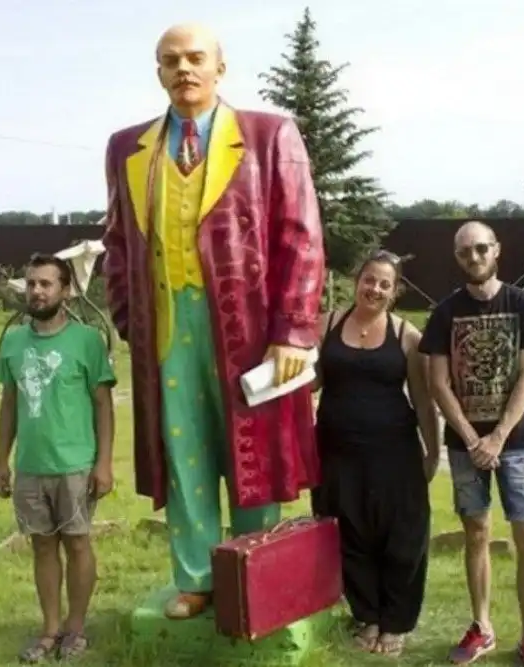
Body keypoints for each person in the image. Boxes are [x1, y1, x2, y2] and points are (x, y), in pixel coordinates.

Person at [101, 22, 325, 619]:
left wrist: (292, 329)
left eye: (196, 58)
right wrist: (129, 317)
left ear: (219, 67)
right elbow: (117, 243)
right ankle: (196, 577)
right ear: (158, 71)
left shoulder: (268, 135)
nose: (184, 69)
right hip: (167, 325)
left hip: (249, 328)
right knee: (184, 448)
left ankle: (253, 570)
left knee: (251, 448)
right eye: (171, 60)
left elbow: (301, 236)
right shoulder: (127, 148)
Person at [418, 221, 524, 667]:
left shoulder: (523, 305)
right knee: (476, 533)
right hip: (465, 445)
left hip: (516, 442)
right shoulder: (445, 313)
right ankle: (482, 627)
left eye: (480, 248)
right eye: (464, 252)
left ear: (496, 250)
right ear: (457, 258)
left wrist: (497, 436)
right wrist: (474, 438)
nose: (473, 257)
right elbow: (438, 384)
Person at [311, 249, 440, 657]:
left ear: (395, 291)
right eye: (369, 280)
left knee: (402, 538)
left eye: (385, 284)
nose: (375, 289)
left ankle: (396, 622)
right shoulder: (326, 324)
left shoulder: (407, 336)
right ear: (357, 280)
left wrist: (433, 452)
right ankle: (366, 615)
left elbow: (423, 401)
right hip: (336, 452)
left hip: (395, 454)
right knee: (348, 535)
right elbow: (309, 384)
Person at [0, 253, 117, 663]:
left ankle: (75, 629)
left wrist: (104, 463)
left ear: (65, 290)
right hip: (31, 466)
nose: (37, 291)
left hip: (75, 465)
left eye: (46, 284)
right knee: (42, 547)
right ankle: (49, 630)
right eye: (31, 283)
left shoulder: (87, 341)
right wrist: (2, 461)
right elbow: (9, 405)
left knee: (78, 544)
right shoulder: (13, 342)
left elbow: (103, 405)